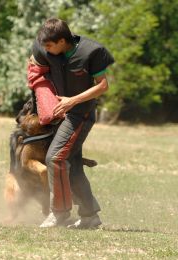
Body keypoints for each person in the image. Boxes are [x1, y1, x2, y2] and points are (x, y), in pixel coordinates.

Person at [27, 18, 114, 229]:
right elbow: (35, 68)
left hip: (80, 114)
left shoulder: (92, 52)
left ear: (62, 41)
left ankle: (59, 213)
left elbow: (103, 86)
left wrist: (72, 101)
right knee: (72, 166)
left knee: (55, 158)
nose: (45, 49)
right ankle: (89, 216)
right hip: (60, 114)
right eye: (43, 45)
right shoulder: (44, 49)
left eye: (49, 45)